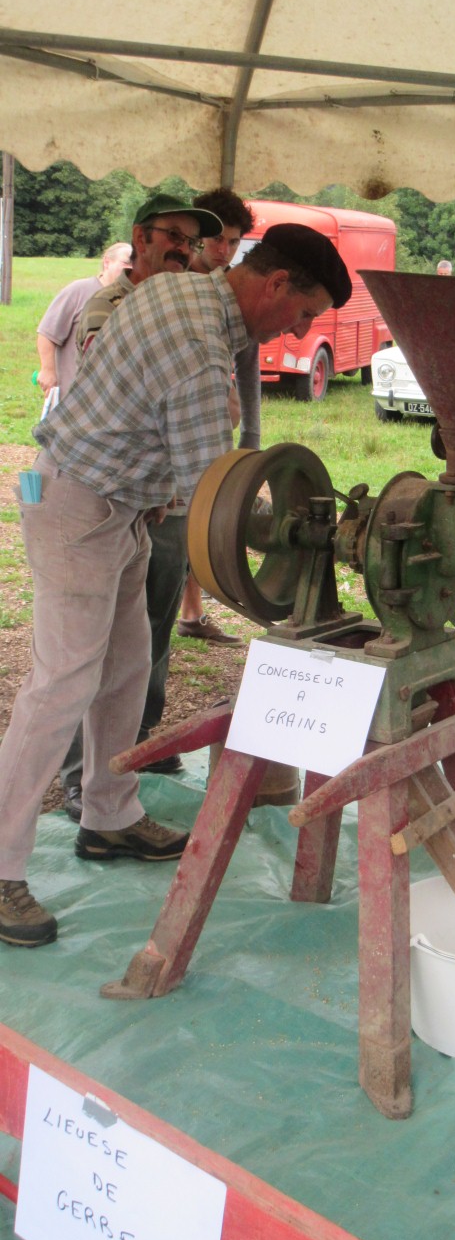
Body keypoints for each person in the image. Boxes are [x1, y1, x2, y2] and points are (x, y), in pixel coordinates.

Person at [0, 222, 351, 949]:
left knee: (128, 665)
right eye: (304, 312)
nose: (299, 330)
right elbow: (216, 494)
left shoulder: (187, 292)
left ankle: (108, 816)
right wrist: (298, 529)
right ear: (275, 283)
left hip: (121, 504)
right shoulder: (198, 345)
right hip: (75, 505)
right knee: (61, 683)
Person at [58, 193, 226, 819]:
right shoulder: (111, 306)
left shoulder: (194, 309)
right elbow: (140, 394)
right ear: (141, 238)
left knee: (150, 636)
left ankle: (136, 749)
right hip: (118, 498)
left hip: (172, 500)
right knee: (96, 648)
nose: (185, 249)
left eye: (193, 241)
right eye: (173, 236)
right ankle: (80, 775)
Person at [174, 187, 259, 647]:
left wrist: (252, 438)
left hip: (213, 422)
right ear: (198, 236)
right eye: (217, 239)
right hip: (173, 422)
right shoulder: (171, 282)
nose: (224, 250)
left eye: (233, 242)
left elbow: (249, 365)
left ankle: (191, 611)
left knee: (197, 514)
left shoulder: (235, 293)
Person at [35, 242, 131, 403]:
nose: (131, 268)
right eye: (126, 263)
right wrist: (47, 370)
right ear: (107, 262)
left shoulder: (133, 299)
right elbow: (47, 333)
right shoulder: (78, 291)